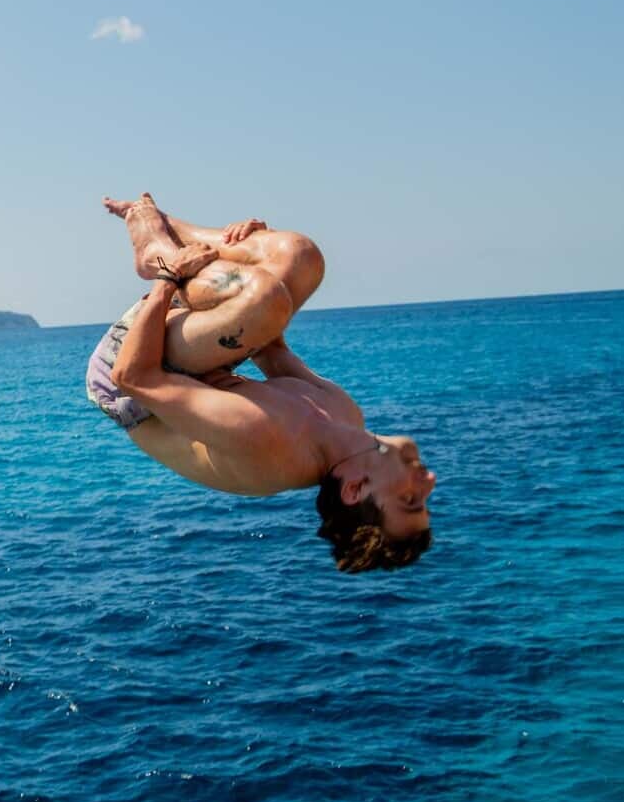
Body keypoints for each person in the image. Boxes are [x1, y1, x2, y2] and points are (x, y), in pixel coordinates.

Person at [87, 194, 435, 573]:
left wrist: (168, 279)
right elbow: (269, 349)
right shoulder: (346, 415)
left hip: (132, 373)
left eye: (410, 500)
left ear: (355, 490)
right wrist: (250, 249)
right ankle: (163, 223)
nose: (428, 482)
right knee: (301, 257)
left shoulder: (268, 442)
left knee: (263, 295)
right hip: (192, 368)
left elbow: (133, 377)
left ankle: (157, 253)